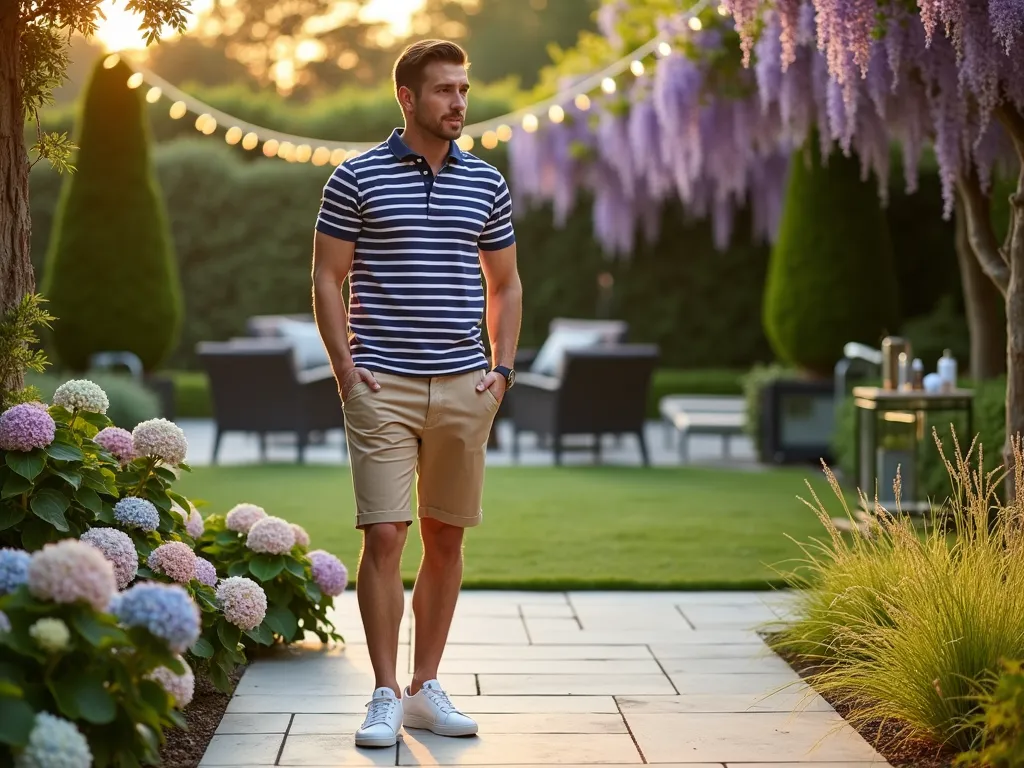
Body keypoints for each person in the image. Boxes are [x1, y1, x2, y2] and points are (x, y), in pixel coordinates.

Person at [309, 38, 522, 749]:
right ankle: (382, 694)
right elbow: (327, 280)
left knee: (446, 535)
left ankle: (425, 686)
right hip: (382, 386)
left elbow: (507, 283)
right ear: (407, 97)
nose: (459, 102)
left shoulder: (486, 182)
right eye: (444, 91)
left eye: (464, 89)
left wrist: (502, 372)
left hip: (467, 385)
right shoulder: (354, 179)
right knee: (385, 533)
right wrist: (346, 374)